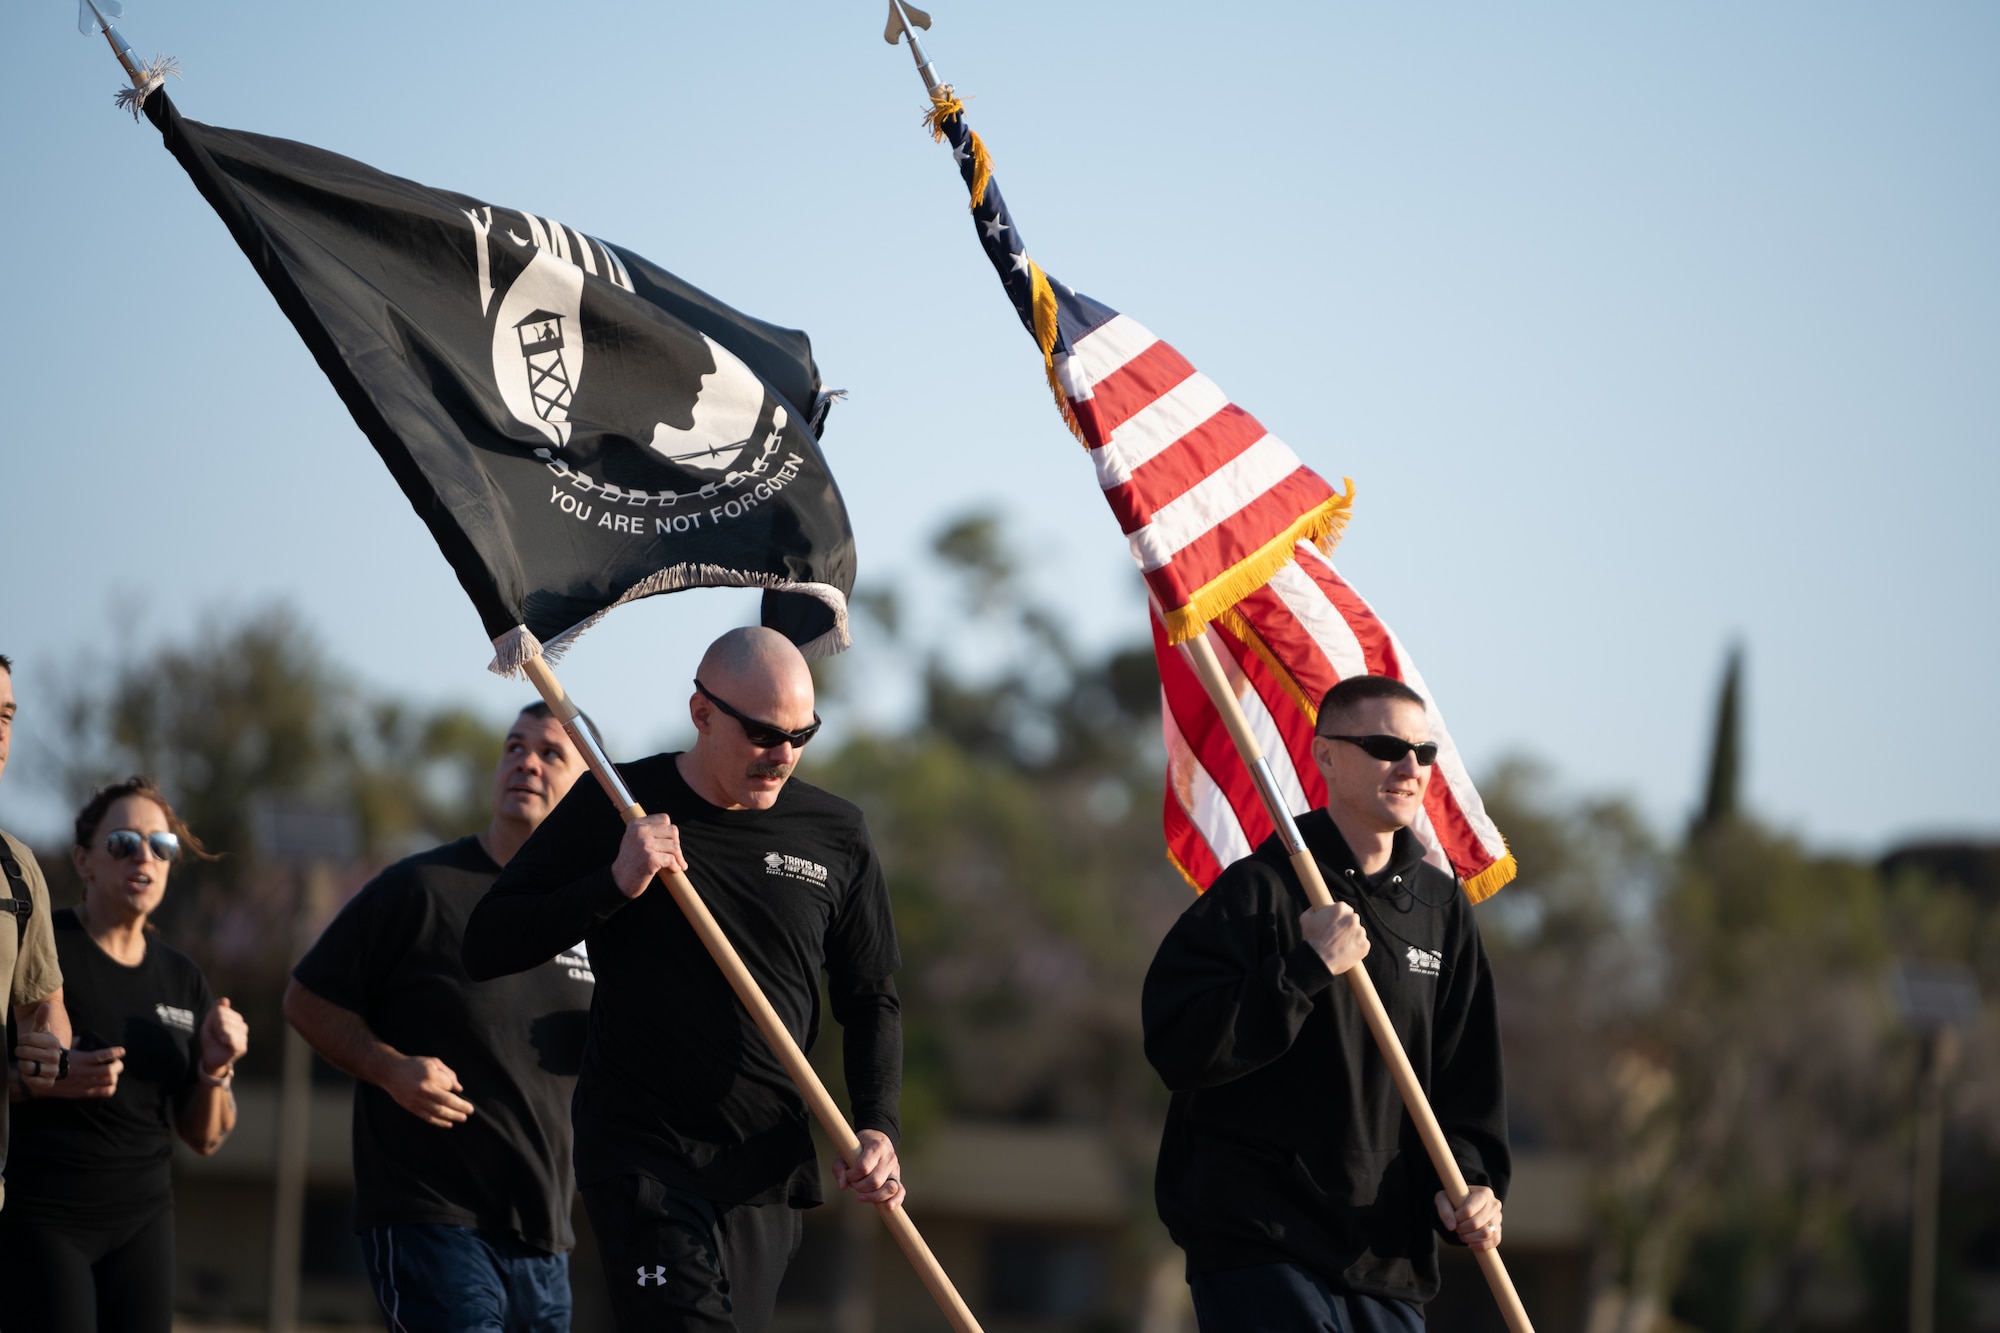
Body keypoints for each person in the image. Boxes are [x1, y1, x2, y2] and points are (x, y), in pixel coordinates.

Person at [463, 627, 905, 1333]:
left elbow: (871, 998)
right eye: (763, 733)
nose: (782, 755)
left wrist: (879, 1123)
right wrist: (616, 880)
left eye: (802, 734)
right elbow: (487, 940)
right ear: (702, 713)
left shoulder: (838, 833)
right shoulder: (618, 803)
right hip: (645, 1155)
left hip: (764, 1168)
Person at [1142, 675, 1508, 1332]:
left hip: (1386, 1253)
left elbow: (1467, 1082)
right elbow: (1180, 1041)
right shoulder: (1264, 888)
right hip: (1260, 1237)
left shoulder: (1442, 908)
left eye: (1423, 752)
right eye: (1384, 745)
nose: (1409, 766)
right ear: (1326, 756)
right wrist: (1304, 968)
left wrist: (1474, 1184)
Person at [284, 702, 592, 1333]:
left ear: (586, 788)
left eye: (550, 753)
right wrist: (390, 1068)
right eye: (514, 747)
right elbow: (305, 999)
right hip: (432, 1216)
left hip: (545, 1238)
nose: (526, 762)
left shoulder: (593, 913)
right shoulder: (420, 888)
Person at [0, 776, 250, 1333]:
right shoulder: (42, 951)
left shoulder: (183, 977)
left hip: (143, 1222)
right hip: (42, 1217)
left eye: (162, 847)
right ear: (83, 861)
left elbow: (204, 1137)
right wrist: (49, 1079)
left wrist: (214, 1068)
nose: (145, 856)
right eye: (123, 843)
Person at [0, 653, 76, 1208]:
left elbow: (44, 1007)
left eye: (5, 717)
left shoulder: (17, 866)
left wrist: (49, 1047)